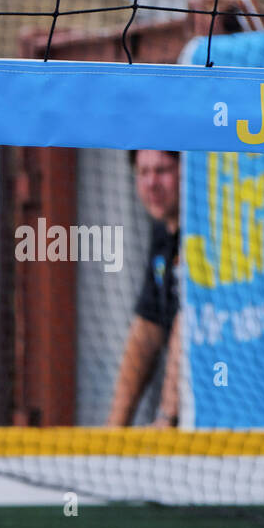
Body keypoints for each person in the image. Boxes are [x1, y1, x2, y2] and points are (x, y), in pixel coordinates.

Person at [107, 150, 181, 427]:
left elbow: (189, 322)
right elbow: (148, 326)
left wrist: (166, 418)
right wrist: (115, 427)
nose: (152, 184)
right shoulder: (163, 231)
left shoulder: (207, 229)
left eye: (162, 171)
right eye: (143, 172)